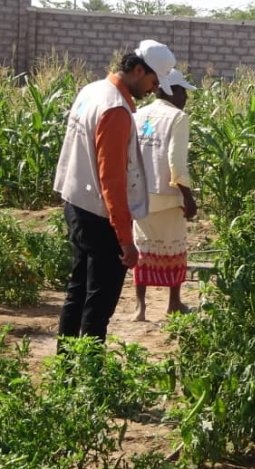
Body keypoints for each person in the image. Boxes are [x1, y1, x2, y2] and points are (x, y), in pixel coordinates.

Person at [53, 39, 176, 349]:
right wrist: (125, 240)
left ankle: (66, 367)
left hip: (76, 203)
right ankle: (90, 376)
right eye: (152, 81)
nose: (153, 89)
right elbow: (112, 180)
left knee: (78, 290)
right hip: (99, 215)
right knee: (99, 303)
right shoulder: (116, 110)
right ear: (137, 70)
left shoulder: (92, 91)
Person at [131, 69, 198, 322]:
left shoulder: (139, 115)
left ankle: (140, 307)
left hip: (140, 194)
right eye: (183, 91)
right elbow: (176, 161)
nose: (186, 98)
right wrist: (187, 197)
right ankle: (174, 303)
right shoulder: (177, 117)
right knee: (174, 248)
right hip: (168, 195)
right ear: (171, 91)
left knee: (143, 248)